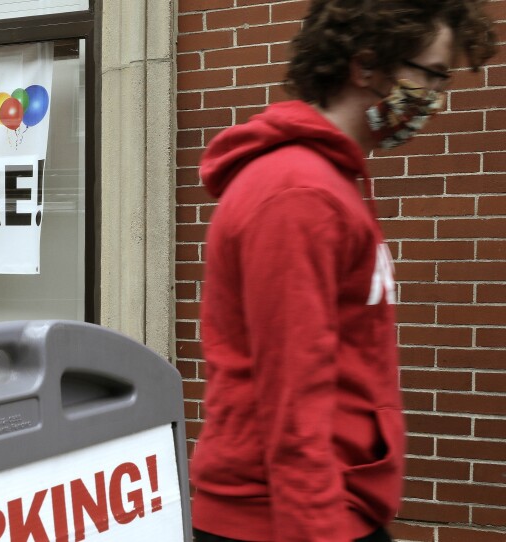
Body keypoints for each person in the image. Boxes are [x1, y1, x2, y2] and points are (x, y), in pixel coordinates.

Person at [189, 2, 497, 542]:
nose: (436, 99)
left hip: (330, 505)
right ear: (366, 66)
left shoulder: (328, 181)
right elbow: (294, 401)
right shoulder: (298, 194)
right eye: (432, 74)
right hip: (286, 518)